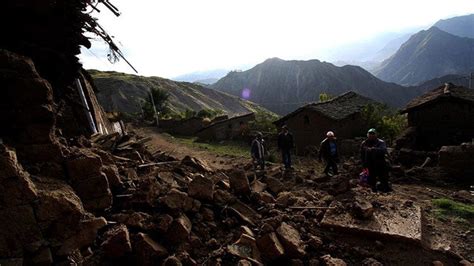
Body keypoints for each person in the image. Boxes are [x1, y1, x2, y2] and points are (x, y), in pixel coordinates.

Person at [360, 128, 391, 192]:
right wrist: (363, 164)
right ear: (367, 135)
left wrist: (373, 150)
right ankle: (373, 190)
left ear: (376, 135)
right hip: (369, 163)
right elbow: (361, 153)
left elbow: (383, 150)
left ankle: (385, 189)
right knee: (370, 178)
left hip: (380, 163)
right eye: (370, 134)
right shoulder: (364, 143)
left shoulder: (381, 142)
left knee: (383, 178)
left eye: (373, 134)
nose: (371, 135)